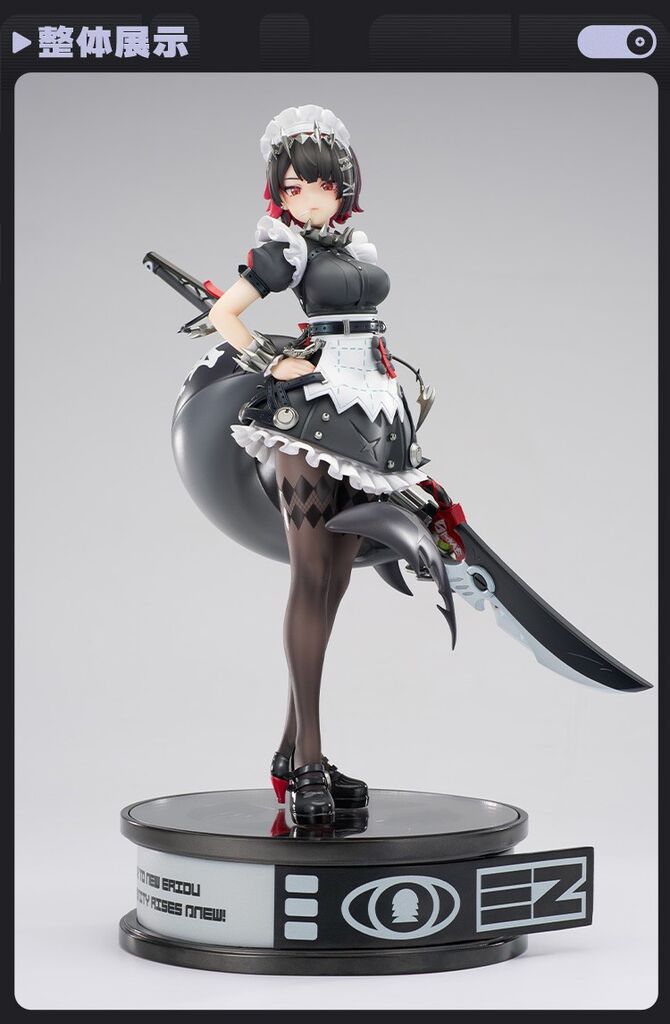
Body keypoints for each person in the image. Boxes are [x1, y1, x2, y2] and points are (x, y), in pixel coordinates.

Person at [207, 105, 432, 827]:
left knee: (335, 580)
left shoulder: (353, 246)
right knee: (312, 577)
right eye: (295, 188)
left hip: (369, 413)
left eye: (323, 186)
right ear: (280, 192)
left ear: (345, 187)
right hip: (310, 417)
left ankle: (291, 753)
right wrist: (273, 360)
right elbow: (225, 315)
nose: (309, 200)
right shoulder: (287, 252)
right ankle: (307, 760)